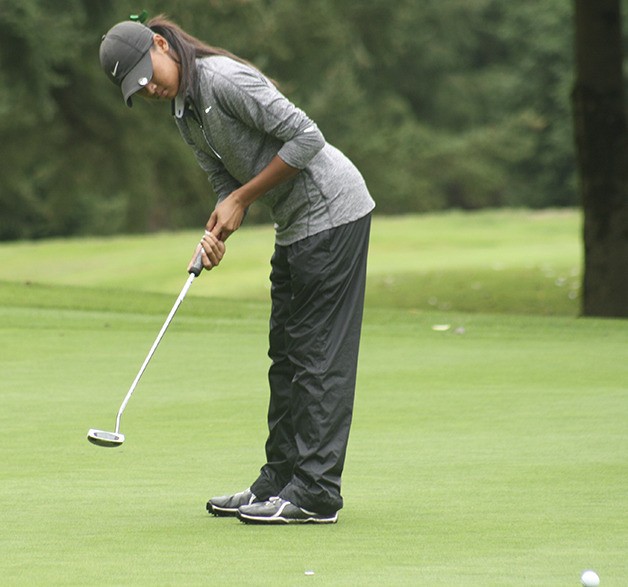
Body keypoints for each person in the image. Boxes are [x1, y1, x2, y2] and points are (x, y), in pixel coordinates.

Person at [99, 15, 375, 524]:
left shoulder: (224, 79)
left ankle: (316, 493)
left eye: (149, 73)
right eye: (140, 88)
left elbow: (306, 137)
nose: (152, 88)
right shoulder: (185, 115)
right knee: (285, 355)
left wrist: (243, 200)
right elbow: (224, 182)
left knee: (316, 356)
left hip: (334, 213)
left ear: (161, 45)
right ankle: (279, 481)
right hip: (295, 225)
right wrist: (218, 229)